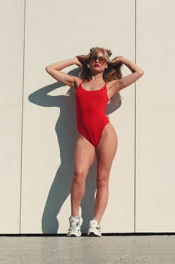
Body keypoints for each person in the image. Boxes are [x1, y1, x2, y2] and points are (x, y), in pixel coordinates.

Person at [45, 47, 144, 237]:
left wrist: (122, 59)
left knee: (102, 179)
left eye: (102, 59)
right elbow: (50, 69)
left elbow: (139, 72)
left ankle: (95, 224)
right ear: (88, 62)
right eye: (93, 58)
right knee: (78, 174)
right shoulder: (77, 82)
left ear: (107, 65)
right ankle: (74, 221)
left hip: (105, 134)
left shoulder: (110, 86)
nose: (97, 61)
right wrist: (74, 60)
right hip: (84, 135)